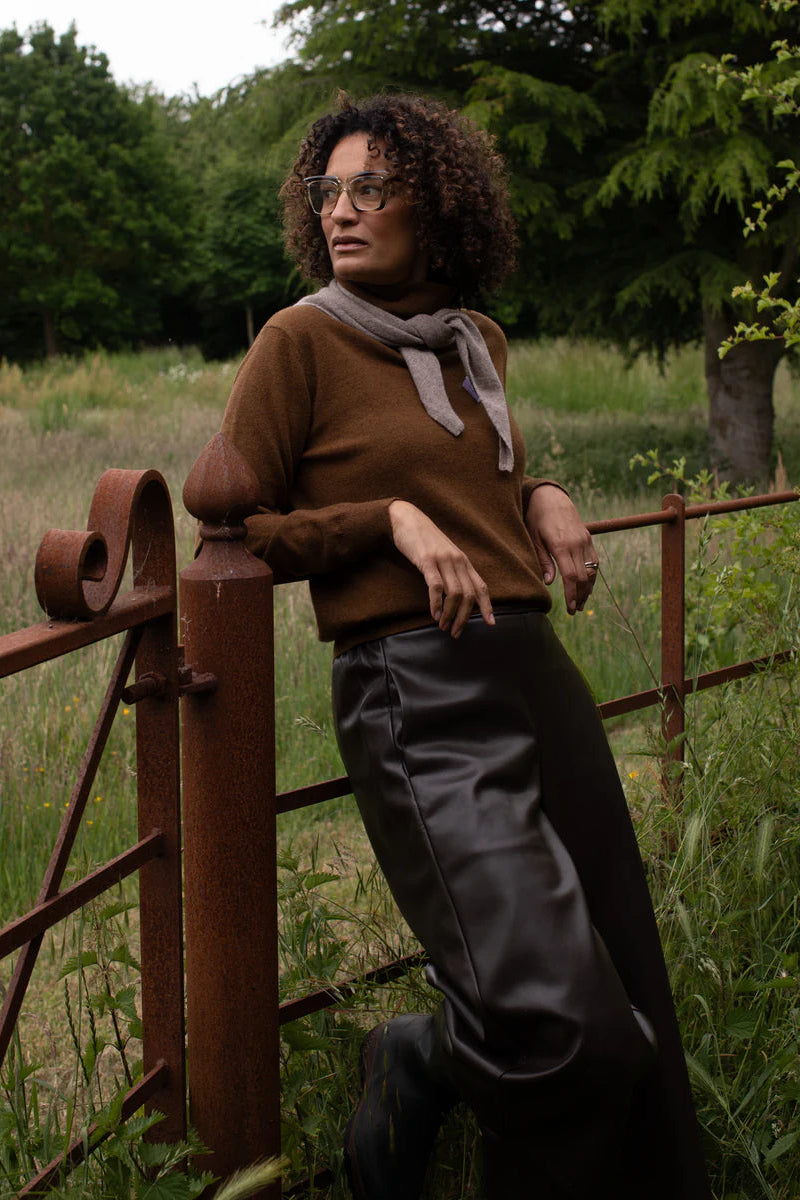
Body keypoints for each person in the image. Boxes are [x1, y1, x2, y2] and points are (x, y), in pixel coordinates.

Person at [217, 92, 710, 1200]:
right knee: (565, 1026)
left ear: (435, 207)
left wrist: (542, 491)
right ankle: (420, 1057)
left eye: (371, 188)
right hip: (417, 692)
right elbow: (239, 526)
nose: (341, 211)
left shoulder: (474, 339)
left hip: (535, 675)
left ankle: (459, 1068)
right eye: (327, 190)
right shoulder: (300, 339)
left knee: (632, 1000)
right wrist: (384, 520)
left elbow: (479, 477)